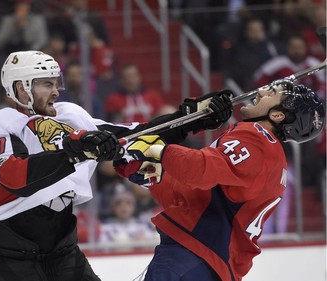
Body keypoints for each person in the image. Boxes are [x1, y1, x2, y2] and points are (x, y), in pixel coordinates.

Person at [0, 50, 232, 281]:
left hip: (63, 253)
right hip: (9, 259)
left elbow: (134, 135)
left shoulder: (70, 115)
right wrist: (74, 153)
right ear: (20, 88)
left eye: (56, 83)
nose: (56, 91)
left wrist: (189, 119)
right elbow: (15, 177)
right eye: (46, 84)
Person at [115, 80, 325, 280]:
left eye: (271, 93)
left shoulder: (258, 139)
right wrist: (154, 177)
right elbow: (198, 197)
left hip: (193, 256)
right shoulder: (271, 157)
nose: (260, 92)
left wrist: (157, 150)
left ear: (277, 115)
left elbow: (199, 170)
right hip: (207, 261)